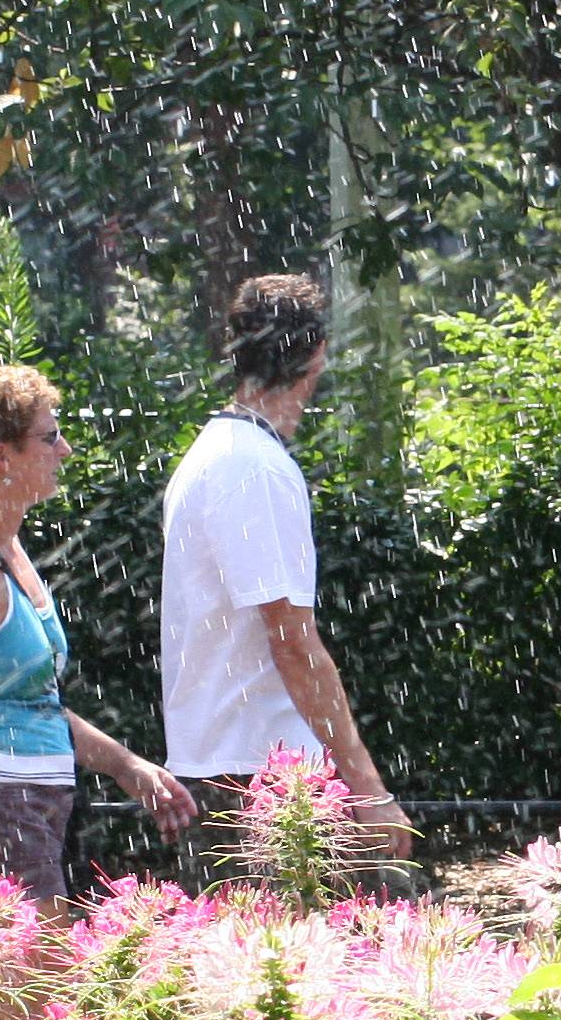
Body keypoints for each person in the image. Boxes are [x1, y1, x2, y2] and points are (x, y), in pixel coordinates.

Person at [0, 363, 195, 907]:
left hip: (39, 802)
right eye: (49, 436)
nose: (64, 449)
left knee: (47, 985)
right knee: (35, 986)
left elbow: (32, 700)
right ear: (2, 455)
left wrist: (126, 767)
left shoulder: (5, 547)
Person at [160, 275, 415, 856]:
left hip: (223, 767)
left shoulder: (212, 453)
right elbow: (293, 643)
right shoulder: (255, 467)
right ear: (316, 354)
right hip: (265, 779)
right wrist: (369, 788)